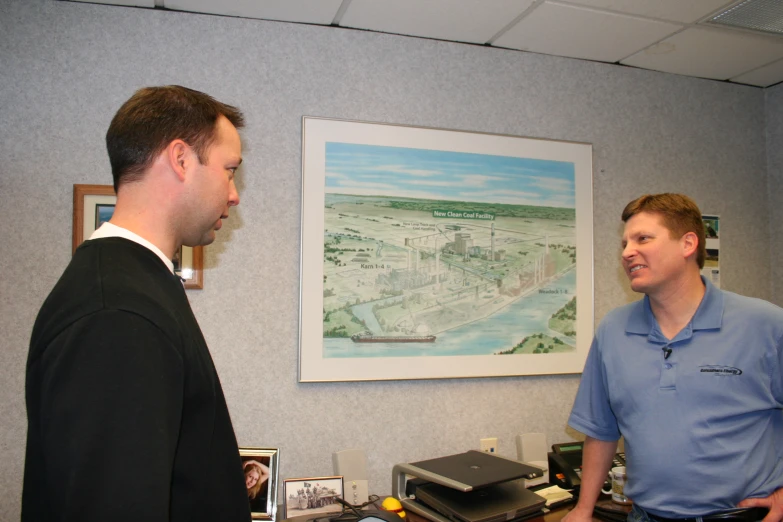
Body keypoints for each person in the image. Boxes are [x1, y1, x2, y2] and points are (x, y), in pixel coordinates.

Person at [23, 86, 250, 522]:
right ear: (181, 159)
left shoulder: (136, 284)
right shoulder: (115, 315)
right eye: (229, 170)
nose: (234, 193)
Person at [564, 193, 783, 522]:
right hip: (645, 516)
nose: (627, 252)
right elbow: (600, 430)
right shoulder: (613, 329)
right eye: (624, 243)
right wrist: (582, 509)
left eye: (643, 239)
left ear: (688, 244)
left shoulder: (764, 324)